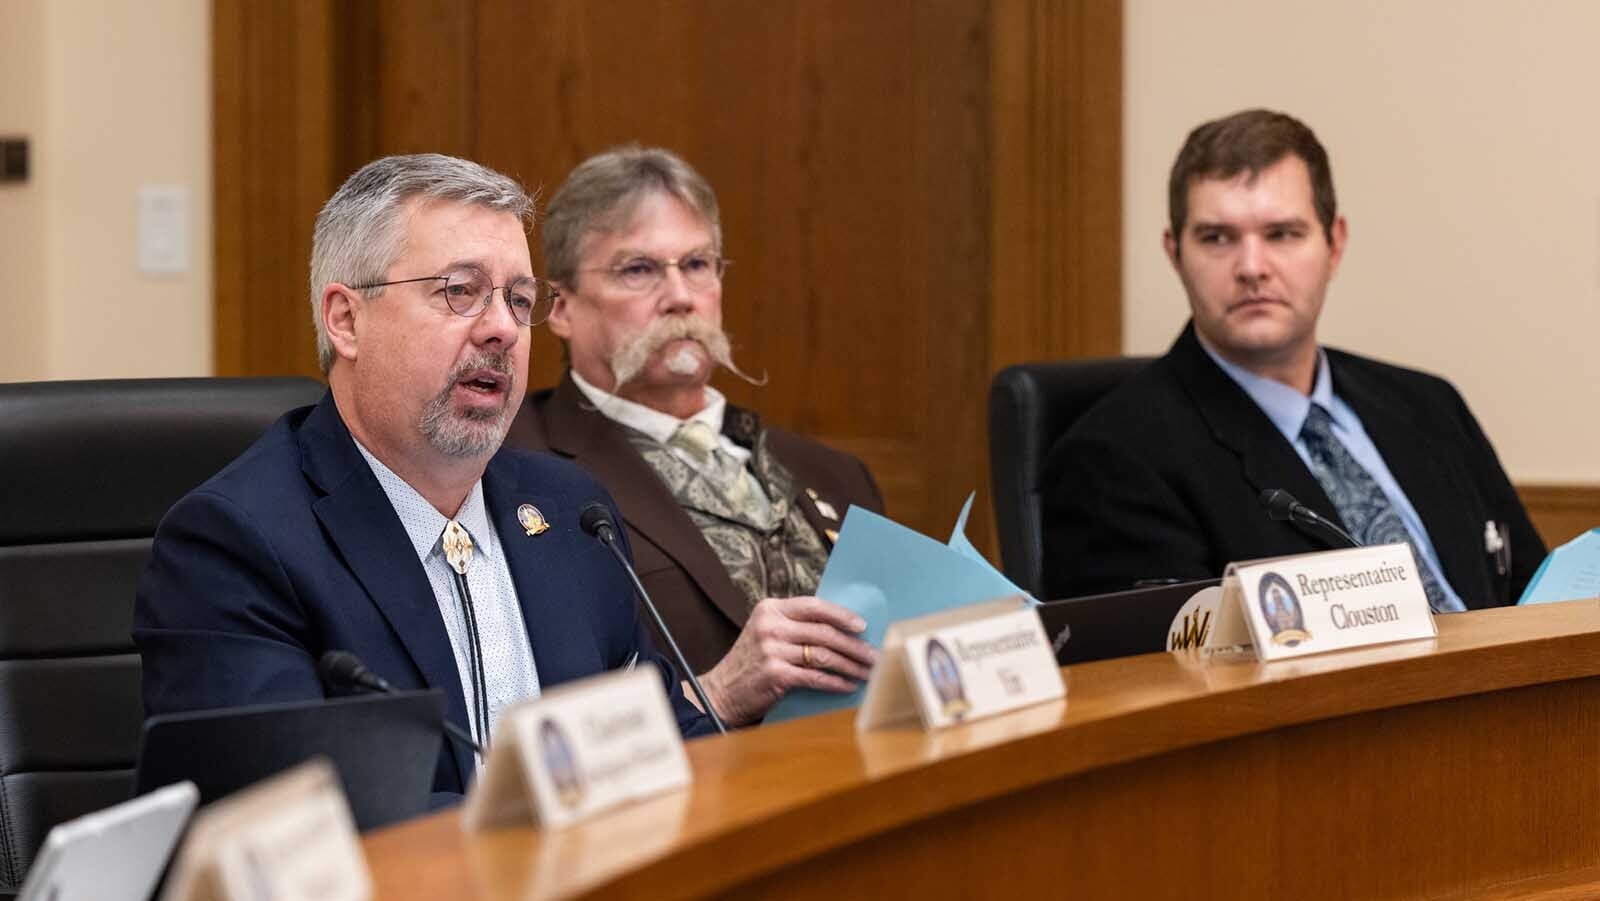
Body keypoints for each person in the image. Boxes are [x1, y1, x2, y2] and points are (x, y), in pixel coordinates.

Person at [134, 154, 711, 800]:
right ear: (346, 320)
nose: (501, 328)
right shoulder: (236, 545)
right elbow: (287, 823)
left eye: (520, 301)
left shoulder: (573, 514)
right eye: (459, 291)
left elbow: (670, 742)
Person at [1041, 109, 1544, 605]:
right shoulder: (1113, 459)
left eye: (1282, 234)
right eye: (1217, 238)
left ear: (1335, 244)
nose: (1252, 267)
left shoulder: (1430, 405)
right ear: (1175, 255)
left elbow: (1537, 602)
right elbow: (1174, 677)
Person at [507, 146, 881, 726]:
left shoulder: (835, 474)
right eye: (639, 270)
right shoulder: (518, 473)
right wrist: (717, 693)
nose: (680, 296)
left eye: (698, 265)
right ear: (560, 308)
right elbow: (526, 723)